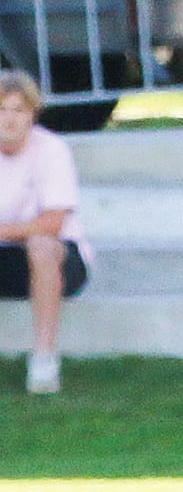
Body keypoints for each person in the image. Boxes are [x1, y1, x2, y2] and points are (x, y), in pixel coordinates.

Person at [0, 72, 91, 395]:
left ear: (32, 115)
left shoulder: (52, 151)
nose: (8, 119)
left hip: (59, 259)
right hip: (6, 257)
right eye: (1, 109)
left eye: (17, 110)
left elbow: (52, 223)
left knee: (41, 245)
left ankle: (43, 359)